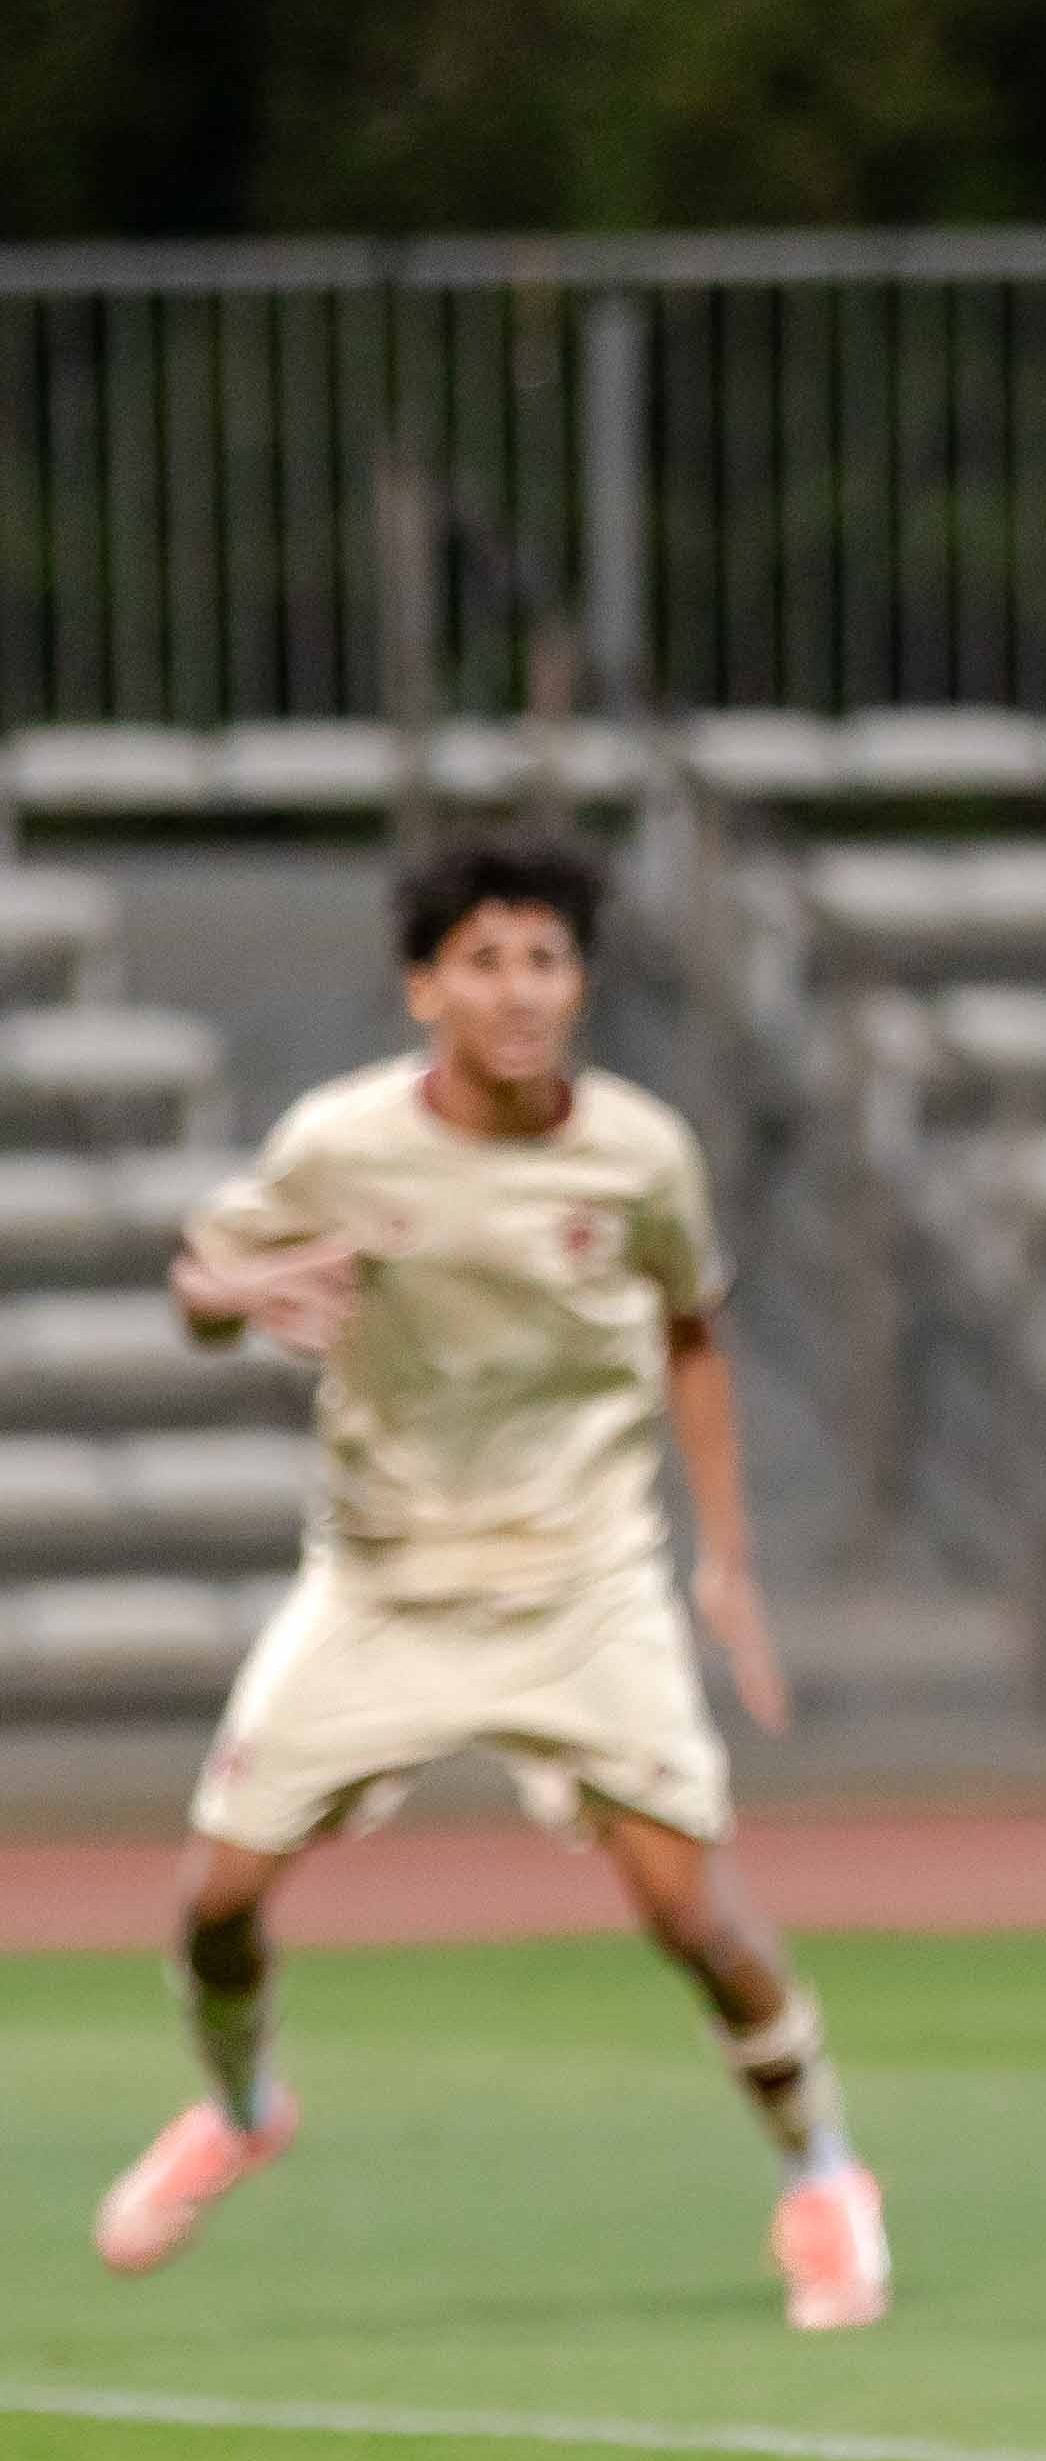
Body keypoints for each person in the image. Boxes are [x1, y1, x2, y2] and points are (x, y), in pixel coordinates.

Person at [91, 837, 885, 2330]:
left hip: (582, 1582)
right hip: (383, 1583)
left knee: (692, 1915)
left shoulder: (640, 1153)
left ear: (579, 983)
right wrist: (240, 1294)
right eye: (484, 961)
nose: (519, 991)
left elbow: (693, 1327)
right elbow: (201, 1278)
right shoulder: (341, 1142)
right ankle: (245, 2104)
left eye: (546, 959)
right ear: (423, 988)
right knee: (215, 1902)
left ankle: (824, 2173)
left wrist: (726, 1560)